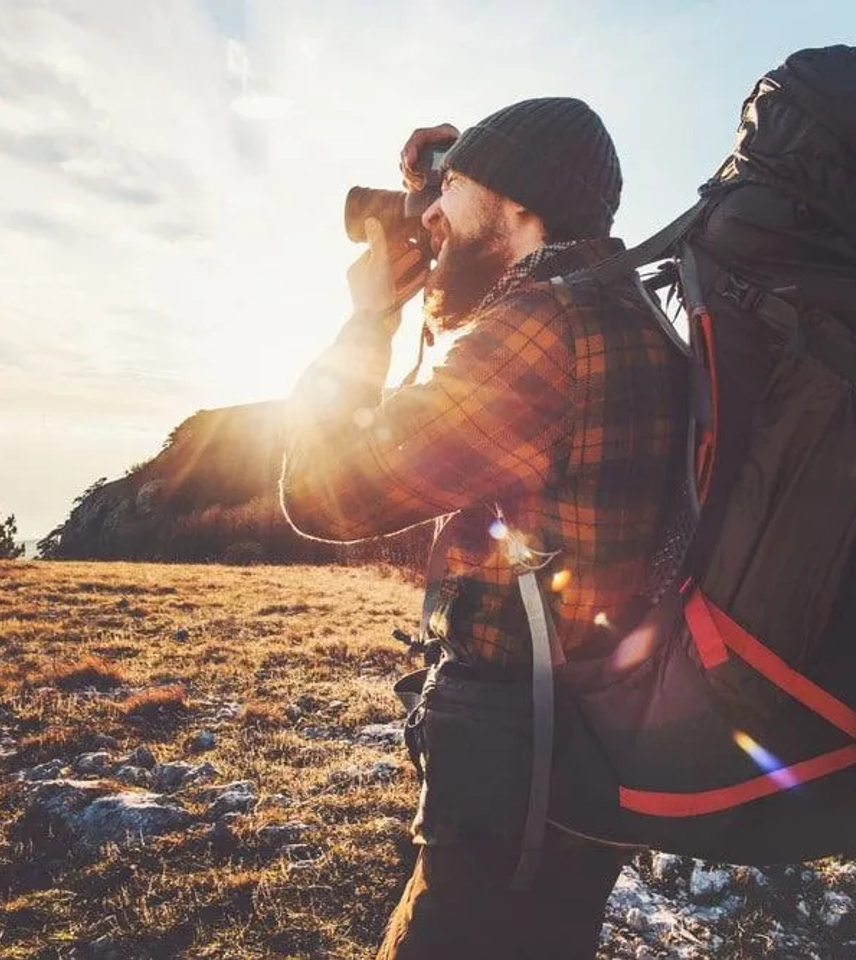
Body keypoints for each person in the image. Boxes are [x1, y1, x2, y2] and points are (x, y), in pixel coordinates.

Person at [279, 98, 688, 959]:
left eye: (454, 191)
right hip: (598, 729)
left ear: (517, 207)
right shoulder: (631, 312)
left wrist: (368, 323)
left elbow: (324, 495)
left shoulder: (540, 328)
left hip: (515, 750)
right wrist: (441, 198)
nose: (430, 215)